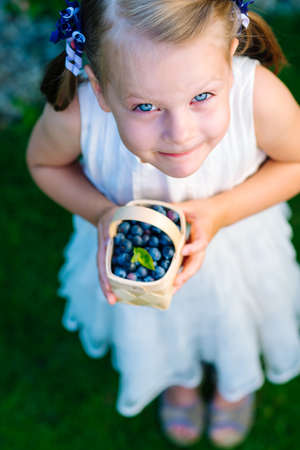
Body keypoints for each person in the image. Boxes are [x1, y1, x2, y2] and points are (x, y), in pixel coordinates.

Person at [26, 0, 300, 447]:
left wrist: (222, 212)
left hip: (236, 254)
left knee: (237, 321)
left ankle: (234, 388)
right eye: (147, 106)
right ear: (99, 87)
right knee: (154, 331)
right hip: (134, 271)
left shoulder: (259, 97)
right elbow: (43, 165)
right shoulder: (78, 114)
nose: (181, 133)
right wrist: (101, 214)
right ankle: (179, 380)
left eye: (202, 98)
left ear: (230, 57)